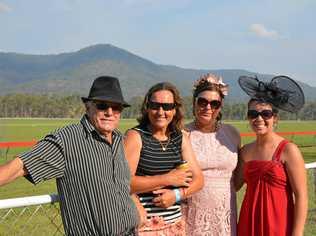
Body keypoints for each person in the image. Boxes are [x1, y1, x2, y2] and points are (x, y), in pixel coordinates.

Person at [0, 76, 140, 235]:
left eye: (116, 108)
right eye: (102, 106)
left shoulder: (119, 141)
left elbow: (122, 187)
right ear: (88, 107)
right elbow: (17, 168)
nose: (109, 112)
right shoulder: (67, 140)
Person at [124, 82, 204, 235]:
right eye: (155, 105)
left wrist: (177, 194)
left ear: (175, 110)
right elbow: (124, 183)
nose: (161, 112)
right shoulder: (136, 136)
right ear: (147, 107)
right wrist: (167, 179)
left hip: (174, 227)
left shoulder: (180, 138)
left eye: (167, 107)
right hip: (143, 226)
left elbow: (199, 180)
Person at [236, 75, 308, 236]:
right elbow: (234, 185)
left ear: (275, 118)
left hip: (279, 224)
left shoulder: (288, 150)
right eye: (253, 114)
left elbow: (301, 195)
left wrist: (297, 233)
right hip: (249, 222)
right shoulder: (245, 151)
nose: (259, 119)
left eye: (266, 114)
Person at [182, 73, 241, 236]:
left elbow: (238, 178)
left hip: (225, 213)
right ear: (194, 103)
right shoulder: (183, 134)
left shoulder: (232, 134)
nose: (208, 107)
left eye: (214, 103)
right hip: (193, 214)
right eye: (202, 101)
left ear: (220, 107)